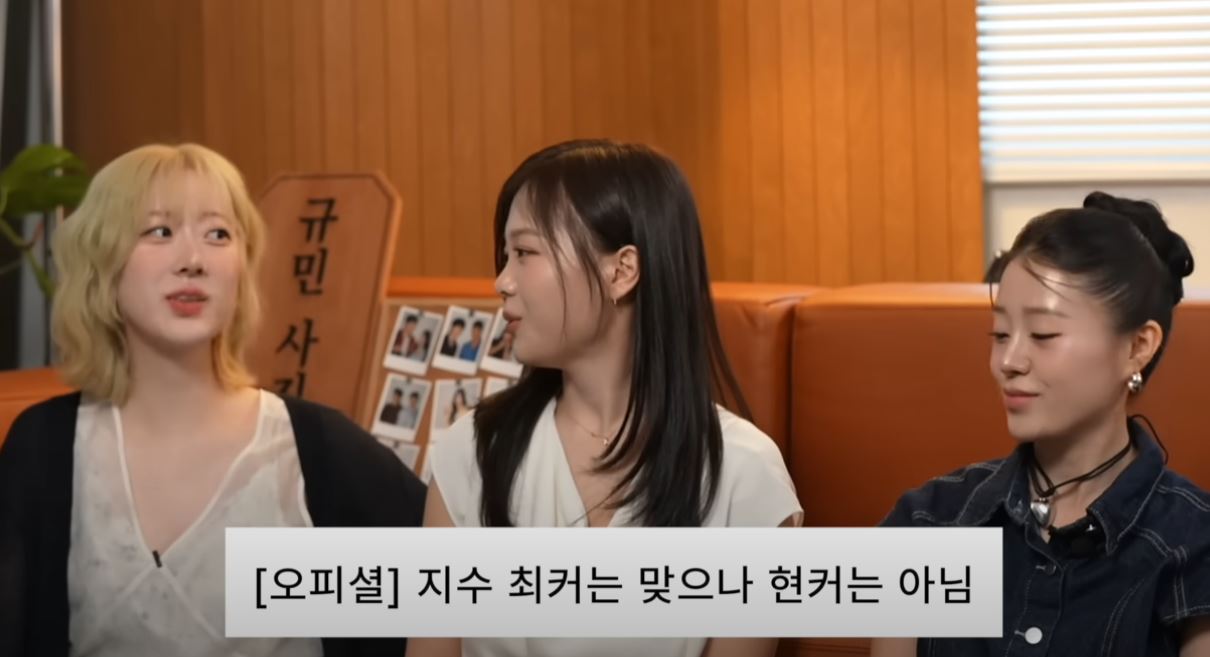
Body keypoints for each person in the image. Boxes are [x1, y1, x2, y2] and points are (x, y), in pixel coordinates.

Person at [0, 143, 427, 657]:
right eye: (160, 231)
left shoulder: (315, 451)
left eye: (218, 234)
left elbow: (480, 594)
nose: (193, 260)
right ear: (103, 263)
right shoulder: (45, 449)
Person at [407, 139, 801, 657]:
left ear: (621, 271)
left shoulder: (743, 474)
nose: (502, 281)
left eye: (524, 253)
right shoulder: (474, 449)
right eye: (505, 256)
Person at [872, 192, 1210, 656]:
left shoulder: (1194, 545)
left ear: (1137, 347)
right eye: (1000, 334)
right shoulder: (929, 519)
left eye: (1043, 334)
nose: (1008, 361)